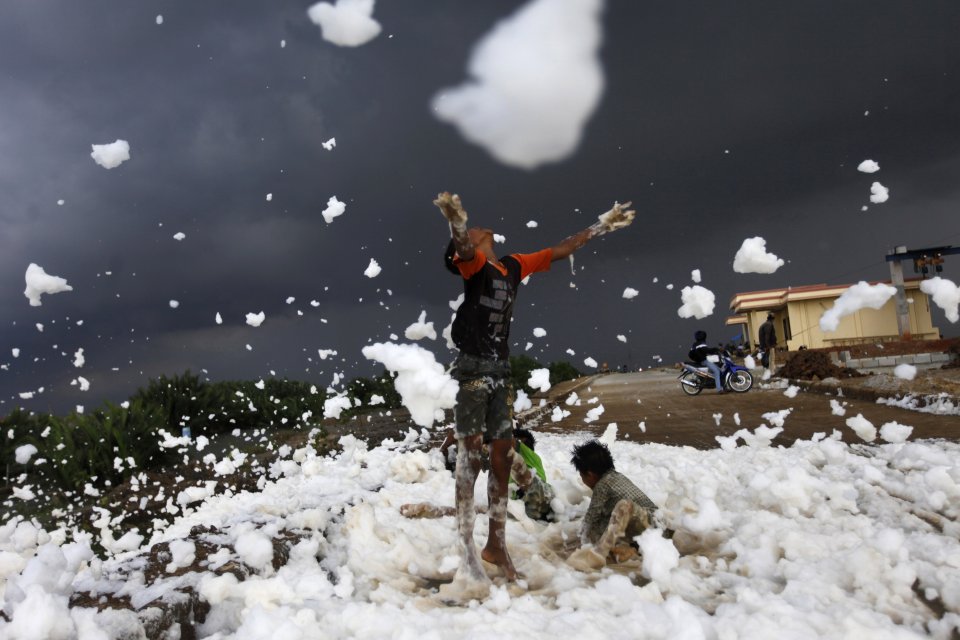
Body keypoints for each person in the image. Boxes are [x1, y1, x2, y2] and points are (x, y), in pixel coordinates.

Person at [435, 191, 635, 584]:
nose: (480, 229)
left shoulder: (512, 265)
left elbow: (560, 250)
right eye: (475, 230)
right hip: (473, 369)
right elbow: (460, 245)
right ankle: (466, 551)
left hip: (500, 370)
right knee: (469, 458)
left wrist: (601, 225)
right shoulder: (474, 266)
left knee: (502, 457)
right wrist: (456, 221)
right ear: (474, 244)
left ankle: (496, 544)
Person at [568, 439, 659, 568]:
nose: (582, 480)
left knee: (621, 508)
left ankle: (600, 556)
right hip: (656, 525)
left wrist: (581, 543)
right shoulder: (616, 477)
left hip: (649, 524)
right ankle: (631, 550)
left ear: (590, 474)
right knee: (604, 524)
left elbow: (591, 518)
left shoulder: (602, 485)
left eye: (582, 475)